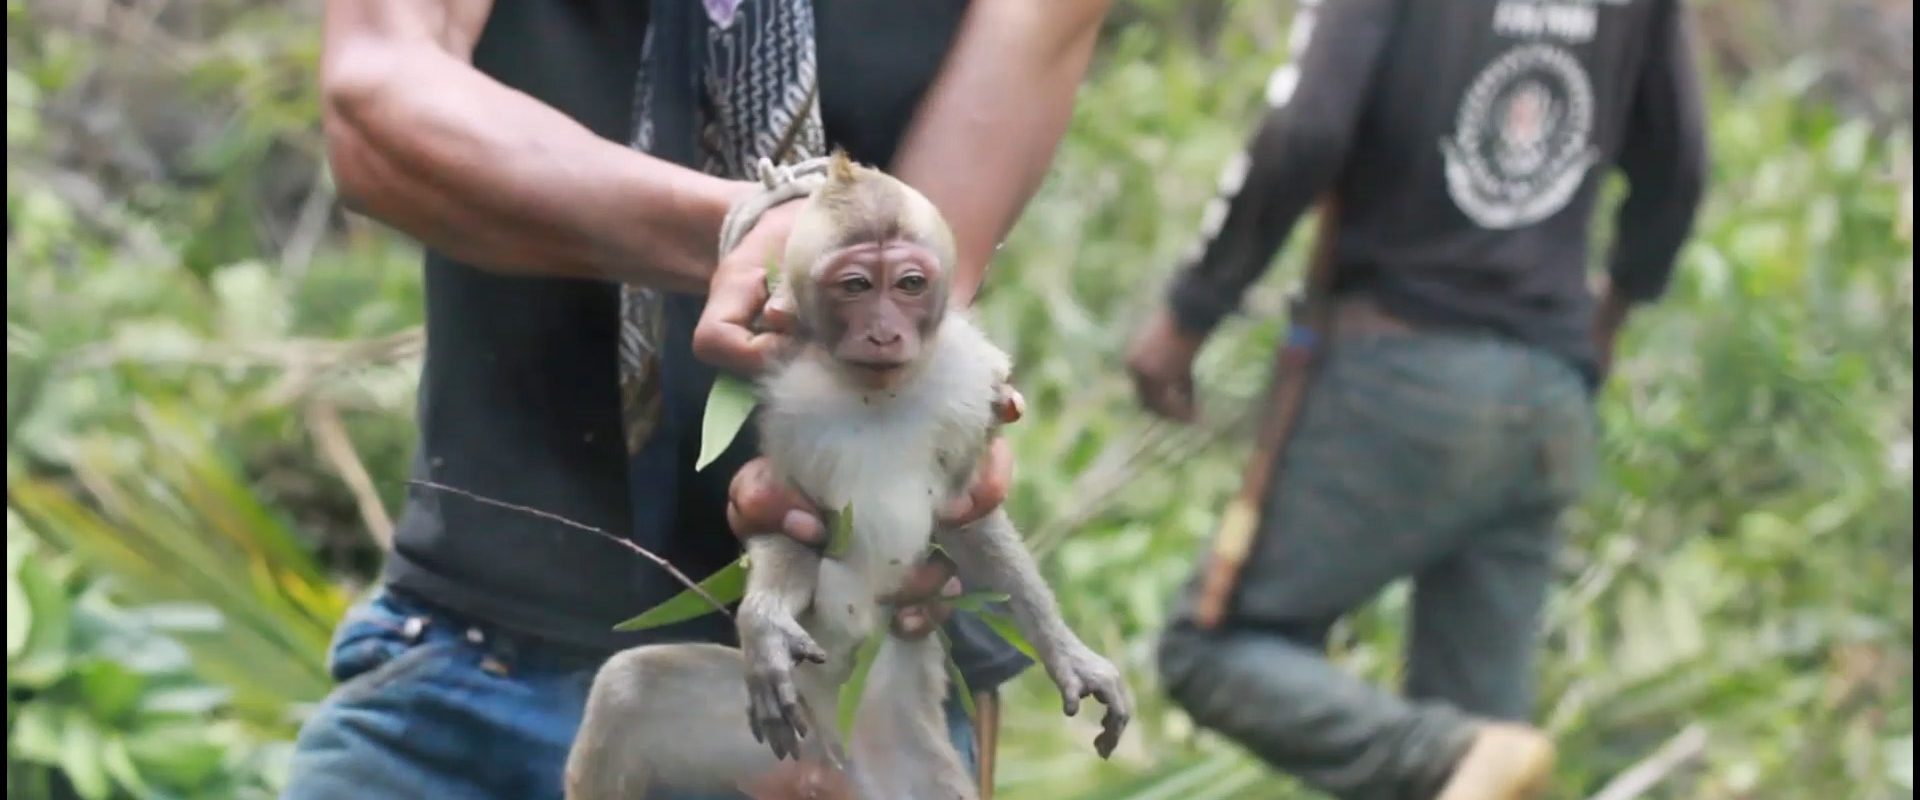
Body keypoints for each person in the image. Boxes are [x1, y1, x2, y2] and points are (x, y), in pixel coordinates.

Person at [284, 1, 1112, 798]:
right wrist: (756, 231)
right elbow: (377, 104)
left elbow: (922, 274)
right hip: (466, 657)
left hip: (835, 695)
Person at [1126, 0, 1708, 798]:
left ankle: (1450, 756)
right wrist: (1608, 316)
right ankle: (1466, 756)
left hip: (1401, 370)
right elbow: (1678, 163)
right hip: (1547, 392)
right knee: (1478, 740)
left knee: (1215, 649)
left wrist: (1193, 308)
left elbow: (1306, 131)